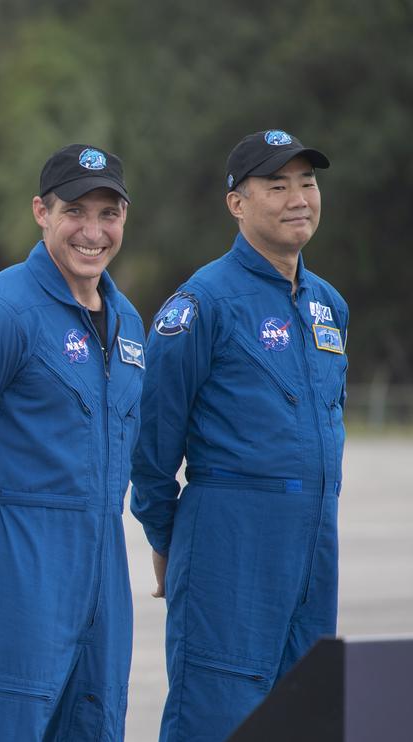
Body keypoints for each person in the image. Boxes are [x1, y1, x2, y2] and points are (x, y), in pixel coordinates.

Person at [131, 130, 345, 741]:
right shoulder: (203, 304)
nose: (298, 198)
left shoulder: (328, 305)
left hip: (314, 542)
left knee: (307, 713)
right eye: (276, 186)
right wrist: (173, 541)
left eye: (307, 182)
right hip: (229, 544)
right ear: (237, 204)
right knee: (219, 717)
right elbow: (152, 447)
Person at [0, 144, 143, 740]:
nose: (93, 231)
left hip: (103, 555)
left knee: (96, 721)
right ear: (41, 212)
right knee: (5, 721)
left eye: (110, 214)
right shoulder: (3, 313)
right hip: (18, 556)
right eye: (76, 211)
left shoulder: (128, 321)